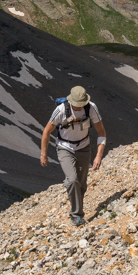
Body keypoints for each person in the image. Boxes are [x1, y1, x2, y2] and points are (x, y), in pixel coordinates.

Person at [40, 85, 106, 225]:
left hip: (84, 147)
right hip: (65, 148)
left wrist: (99, 155)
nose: (78, 107)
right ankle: (76, 215)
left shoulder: (91, 108)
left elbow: (101, 132)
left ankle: (77, 210)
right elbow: (46, 132)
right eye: (76, 105)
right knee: (72, 180)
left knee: (81, 184)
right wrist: (43, 154)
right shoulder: (61, 110)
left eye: (81, 105)